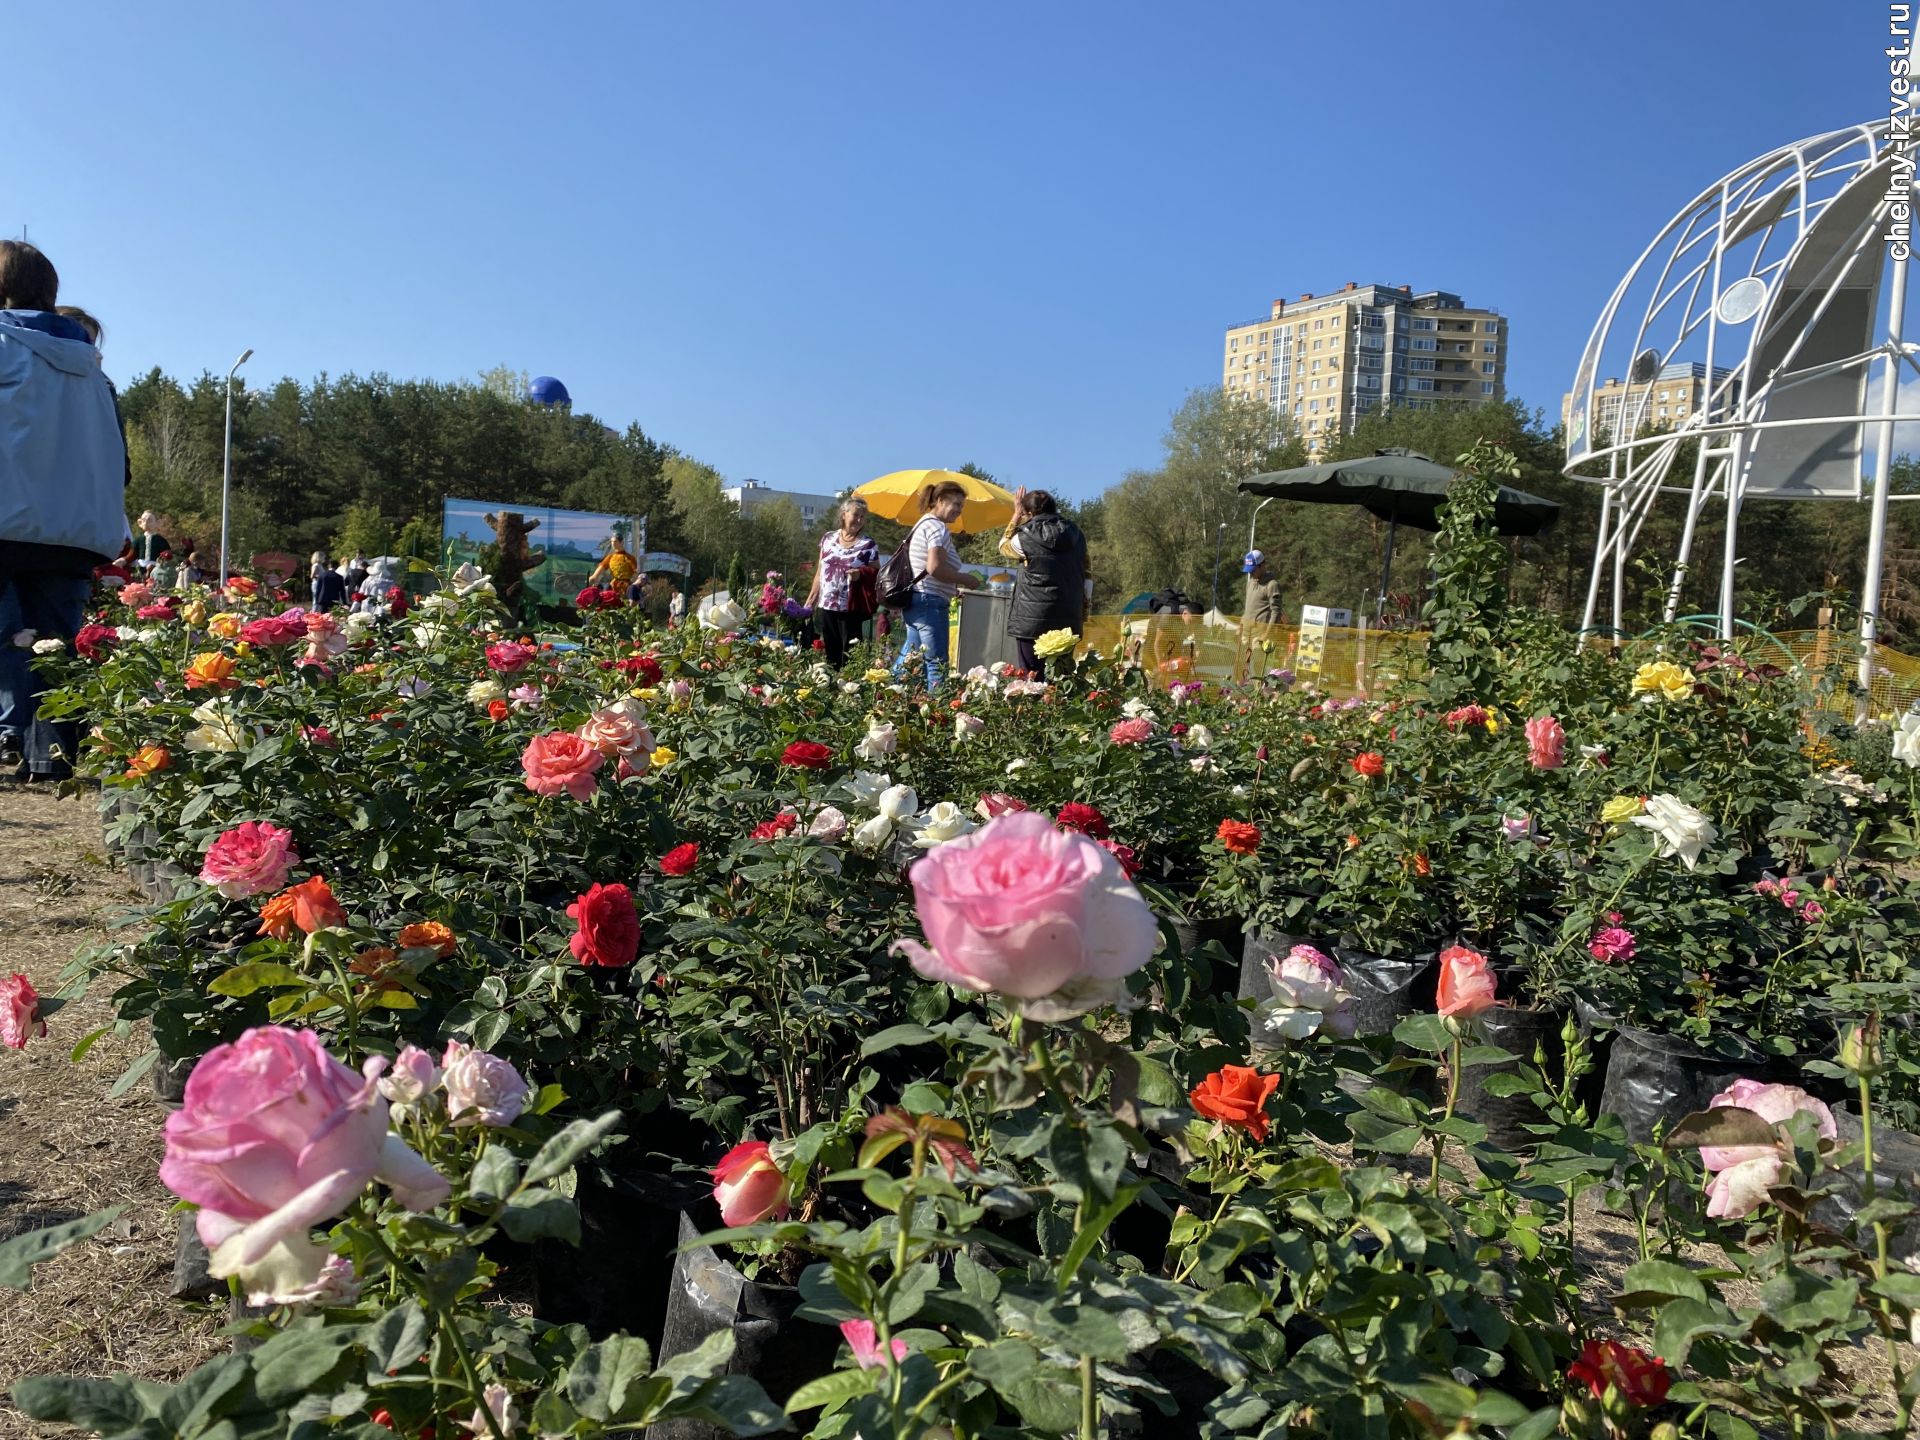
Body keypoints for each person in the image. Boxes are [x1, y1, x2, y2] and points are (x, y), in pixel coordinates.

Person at [0, 241, 129, 783]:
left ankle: (8, 731)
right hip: (73, 529)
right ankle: (50, 756)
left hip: (7, 518)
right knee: (56, 644)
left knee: (6, 636)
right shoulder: (91, 372)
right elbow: (119, 463)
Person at [891, 480, 982, 690]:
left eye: (961, 506)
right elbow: (935, 568)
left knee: (910, 659)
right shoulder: (937, 527)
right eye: (957, 504)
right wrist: (965, 579)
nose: (959, 511)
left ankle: (886, 694)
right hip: (929, 602)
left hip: (917, 600)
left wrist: (951, 587)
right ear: (940, 500)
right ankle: (937, 714)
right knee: (936, 663)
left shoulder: (923, 523)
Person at [998, 488, 1088, 679]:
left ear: (1028, 514)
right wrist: (1084, 609)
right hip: (1068, 617)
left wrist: (1015, 516)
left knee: (1033, 678)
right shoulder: (1077, 535)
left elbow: (1003, 546)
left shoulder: (1023, 537)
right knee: (1061, 679)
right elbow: (1086, 574)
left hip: (1032, 620)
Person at [806, 498, 879, 670]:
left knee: (850, 654)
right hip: (827, 605)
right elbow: (819, 573)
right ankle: (831, 688)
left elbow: (877, 574)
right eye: (856, 515)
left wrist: (860, 574)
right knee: (830, 654)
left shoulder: (868, 545)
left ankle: (850, 690)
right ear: (844, 515)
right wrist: (811, 600)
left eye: (863, 517)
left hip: (850, 608)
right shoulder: (828, 538)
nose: (859, 520)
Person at [1243, 549, 1283, 627]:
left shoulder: (1272, 585)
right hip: (1246, 633)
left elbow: (1276, 613)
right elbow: (1247, 610)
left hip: (1260, 635)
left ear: (1261, 565)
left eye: (1253, 570)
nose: (1250, 572)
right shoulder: (1250, 583)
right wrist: (1240, 627)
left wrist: (1265, 636)